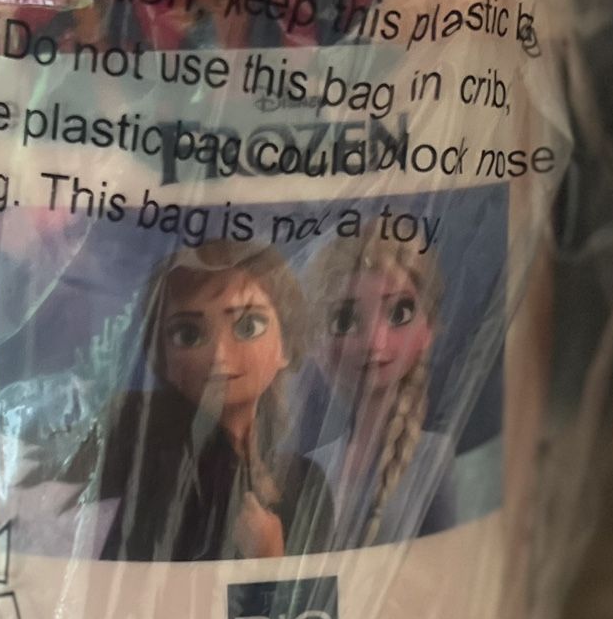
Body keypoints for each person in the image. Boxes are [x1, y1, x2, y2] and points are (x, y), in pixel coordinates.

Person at [27, 239, 334, 562]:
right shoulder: (147, 469)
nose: (219, 356)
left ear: (286, 344)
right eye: (189, 335)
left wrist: (269, 556)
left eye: (248, 326)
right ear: (162, 357)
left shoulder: (307, 484)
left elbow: (329, 589)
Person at [306, 231, 458, 548]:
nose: (374, 343)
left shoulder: (436, 458)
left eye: (398, 314)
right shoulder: (313, 466)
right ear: (319, 343)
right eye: (345, 321)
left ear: (428, 328)